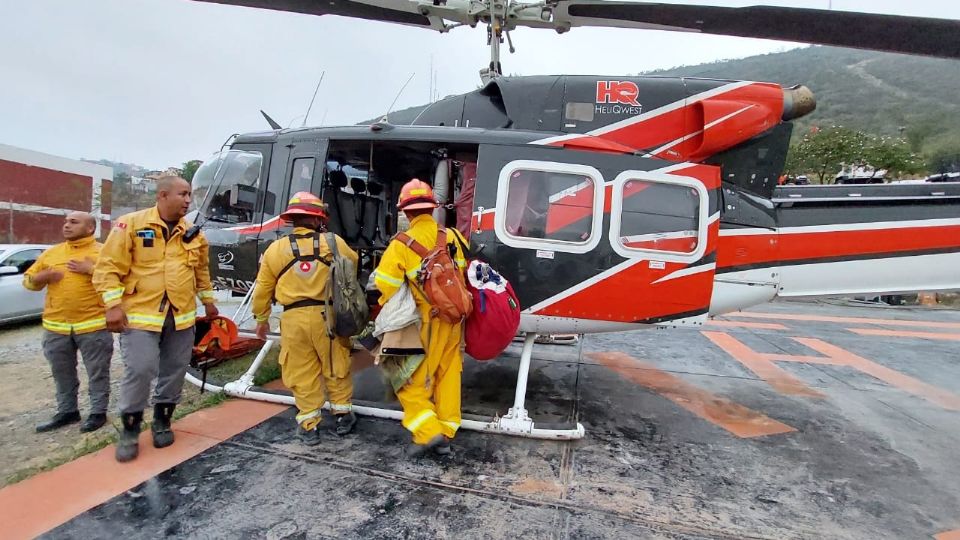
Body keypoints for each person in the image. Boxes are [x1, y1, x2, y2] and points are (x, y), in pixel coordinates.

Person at [93, 175, 218, 462]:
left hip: (182, 315)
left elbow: (201, 271)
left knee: (174, 370)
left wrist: (209, 302)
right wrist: (112, 305)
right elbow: (107, 267)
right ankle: (130, 429)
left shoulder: (194, 234)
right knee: (141, 369)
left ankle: (162, 420)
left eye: (190, 196)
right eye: (183, 194)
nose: (188, 201)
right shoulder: (132, 225)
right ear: (162, 195)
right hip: (141, 315)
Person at [252, 192, 358, 445]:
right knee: (335, 364)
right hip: (328, 317)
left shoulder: (275, 250)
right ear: (318, 219)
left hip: (293, 319)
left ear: (292, 219)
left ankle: (310, 424)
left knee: (301, 370)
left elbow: (263, 288)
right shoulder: (334, 243)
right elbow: (351, 265)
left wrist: (261, 318)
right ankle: (342, 415)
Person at [372, 178, 469, 457]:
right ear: (433, 208)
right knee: (449, 374)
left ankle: (429, 432)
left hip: (425, 320)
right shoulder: (451, 237)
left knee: (408, 379)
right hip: (455, 318)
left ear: (406, 212)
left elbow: (386, 285)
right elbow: (463, 274)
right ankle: (448, 429)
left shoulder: (401, 244)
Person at [23, 212, 113, 433]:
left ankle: (97, 412)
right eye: (66, 221)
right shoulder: (51, 253)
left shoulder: (103, 253)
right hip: (56, 327)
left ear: (90, 228)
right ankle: (68, 411)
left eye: (74, 222)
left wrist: (90, 269)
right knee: (62, 373)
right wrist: (41, 278)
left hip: (93, 326)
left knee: (97, 372)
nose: (67, 225)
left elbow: (118, 280)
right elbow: (28, 281)